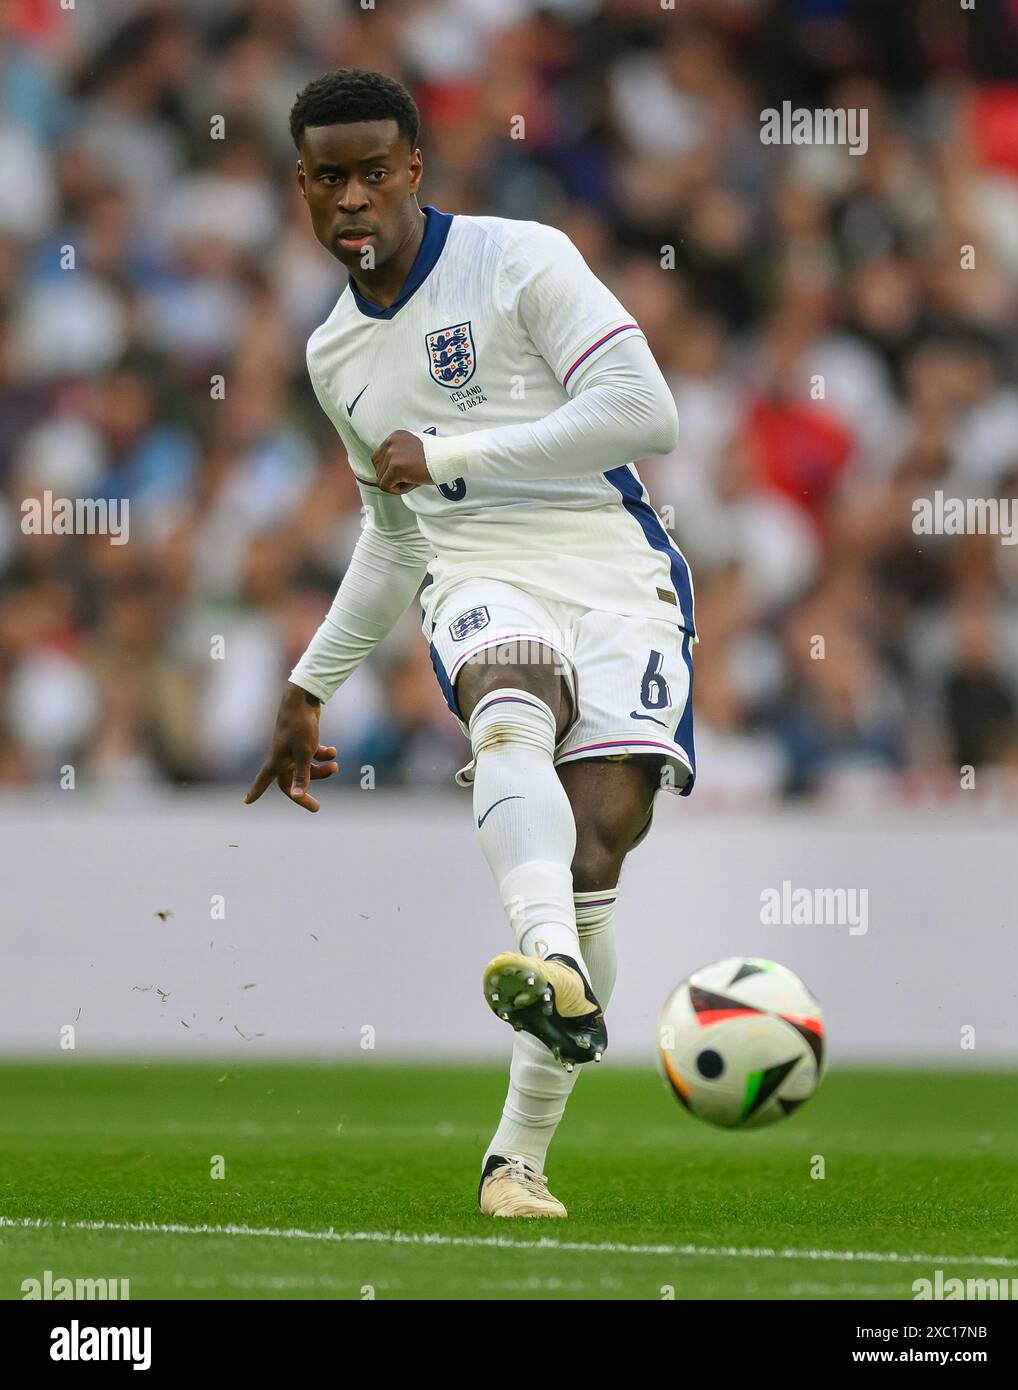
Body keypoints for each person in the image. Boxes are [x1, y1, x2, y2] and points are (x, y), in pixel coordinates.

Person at [245, 68, 697, 1219]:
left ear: (411, 170)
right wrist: (311, 682)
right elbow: (394, 539)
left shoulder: (519, 257)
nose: (351, 199)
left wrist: (450, 454)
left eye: (370, 174)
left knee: (605, 839)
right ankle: (546, 958)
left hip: (612, 560)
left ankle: (516, 1158)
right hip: (479, 571)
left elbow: (647, 414)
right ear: (301, 188)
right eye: (326, 179)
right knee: (507, 702)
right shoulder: (333, 355)